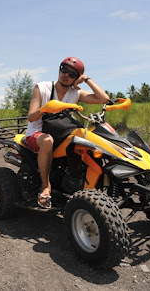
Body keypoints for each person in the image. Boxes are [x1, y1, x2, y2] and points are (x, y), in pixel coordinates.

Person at [25, 57, 109, 209]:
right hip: (37, 133)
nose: (66, 75)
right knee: (47, 141)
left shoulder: (75, 93)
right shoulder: (42, 88)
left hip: (61, 133)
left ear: (76, 78)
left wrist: (87, 79)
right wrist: (44, 109)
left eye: (72, 74)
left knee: (89, 140)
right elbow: (31, 117)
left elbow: (103, 98)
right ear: (59, 69)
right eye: (64, 70)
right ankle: (45, 186)